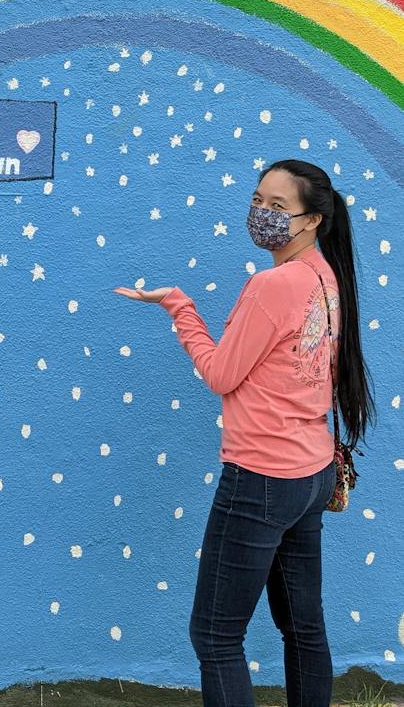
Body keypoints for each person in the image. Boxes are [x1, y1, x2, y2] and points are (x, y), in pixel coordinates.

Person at [115, 159, 374, 707]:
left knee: (215, 636)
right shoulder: (327, 277)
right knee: (303, 628)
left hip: (261, 478)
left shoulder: (272, 285)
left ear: (312, 221)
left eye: (278, 207)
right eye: (258, 200)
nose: (261, 214)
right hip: (311, 474)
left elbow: (220, 374)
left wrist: (179, 307)